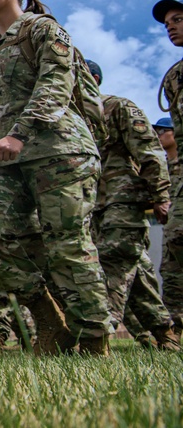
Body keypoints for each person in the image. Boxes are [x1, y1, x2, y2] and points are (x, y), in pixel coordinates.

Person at [0, 0, 114, 354]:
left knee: (69, 243)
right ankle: (48, 317)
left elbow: (56, 84)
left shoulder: (43, 29)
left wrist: (20, 133)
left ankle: (95, 340)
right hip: (8, 159)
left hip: (59, 151)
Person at [84, 59, 179, 349]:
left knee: (113, 261)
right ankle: (166, 334)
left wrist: (161, 197)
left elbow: (150, 152)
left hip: (124, 200)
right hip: (95, 207)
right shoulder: (73, 118)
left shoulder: (118, 107)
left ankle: (98, 336)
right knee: (137, 275)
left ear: (94, 79)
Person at [153, 0, 183, 334]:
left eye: (178, 19)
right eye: (167, 23)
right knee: (174, 248)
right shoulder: (175, 75)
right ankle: (174, 327)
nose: (170, 26)